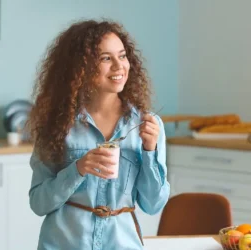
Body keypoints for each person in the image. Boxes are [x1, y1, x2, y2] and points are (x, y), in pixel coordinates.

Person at [27, 19, 170, 250]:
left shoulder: (147, 125)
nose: (119, 66)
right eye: (105, 58)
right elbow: (39, 203)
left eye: (122, 56)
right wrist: (78, 169)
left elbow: (153, 205)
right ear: (80, 67)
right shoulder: (56, 125)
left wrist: (150, 150)